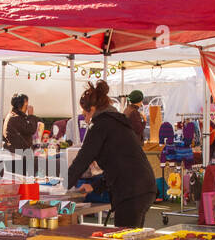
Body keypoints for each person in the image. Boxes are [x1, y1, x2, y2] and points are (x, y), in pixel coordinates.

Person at [65, 81, 156, 228]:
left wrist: (61, 187)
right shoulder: (115, 121)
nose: (86, 119)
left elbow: (83, 159)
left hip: (131, 190)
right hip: (142, 187)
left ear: (93, 109)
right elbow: (119, 163)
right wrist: (94, 186)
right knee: (132, 239)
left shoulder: (100, 125)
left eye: (85, 114)